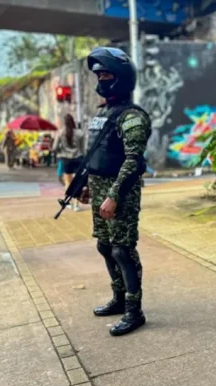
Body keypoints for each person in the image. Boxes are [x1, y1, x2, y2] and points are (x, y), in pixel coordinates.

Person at [80, 47, 152, 337]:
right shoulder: (104, 114)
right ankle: (119, 298)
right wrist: (86, 185)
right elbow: (96, 155)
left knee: (123, 250)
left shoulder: (132, 117)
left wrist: (114, 195)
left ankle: (134, 310)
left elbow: (133, 161)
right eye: (98, 75)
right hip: (98, 189)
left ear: (121, 78)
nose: (100, 80)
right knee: (105, 246)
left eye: (106, 74)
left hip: (120, 193)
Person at [53, 114, 87, 212]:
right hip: (78, 159)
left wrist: (60, 153)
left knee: (68, 182)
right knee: (77, 182)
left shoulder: (60, 133)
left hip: (66, 159)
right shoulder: (80, 133)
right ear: (73, 121)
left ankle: (69, 202)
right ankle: (76, 205)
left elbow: (55, 147)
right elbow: (83, 149)